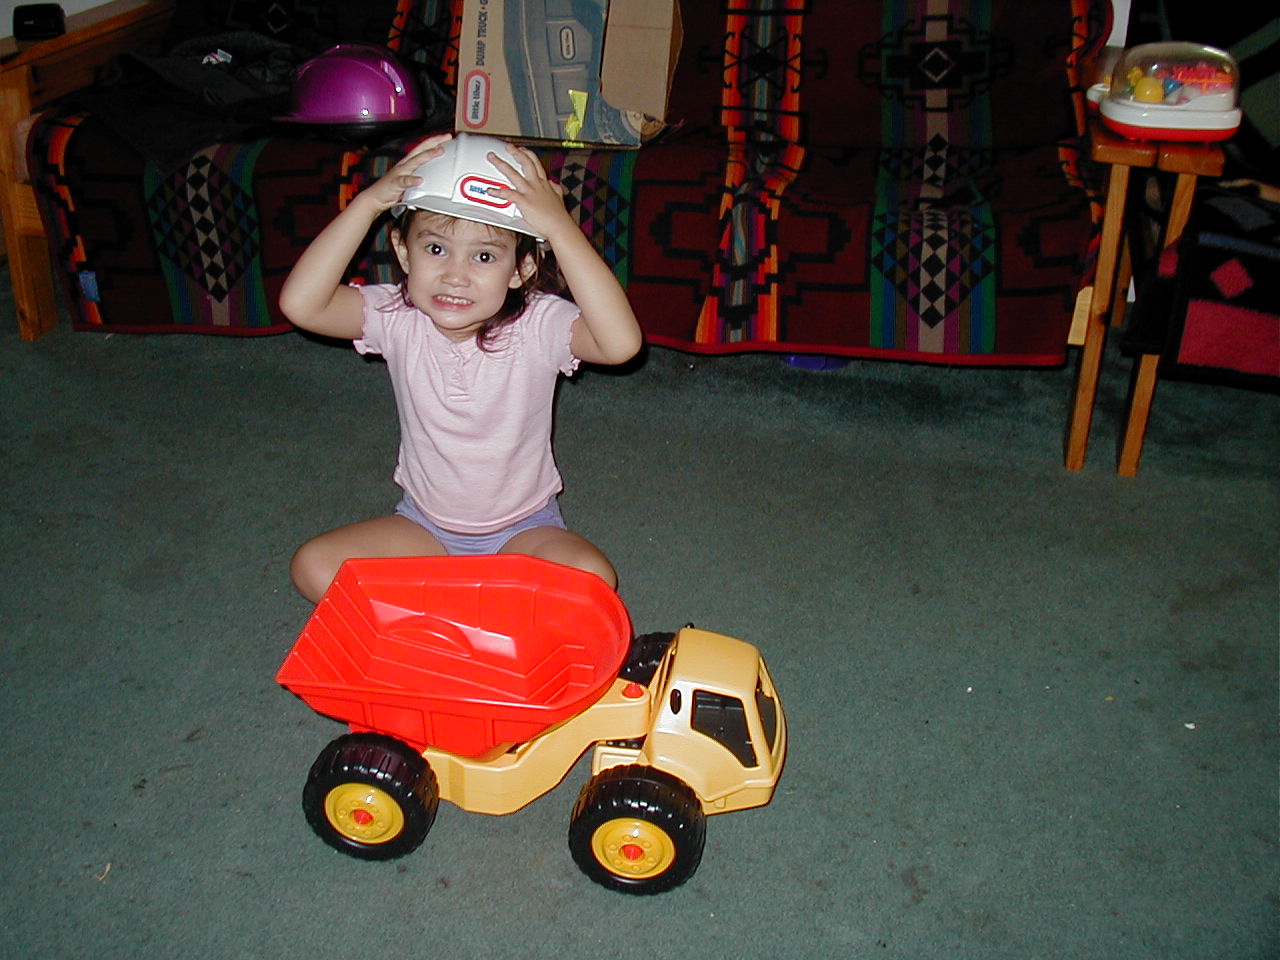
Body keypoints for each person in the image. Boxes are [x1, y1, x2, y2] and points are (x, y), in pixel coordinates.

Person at [280, 132, 642, 603]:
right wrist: (366, 204)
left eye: (484, 256)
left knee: (592, 578)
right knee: (313, 566)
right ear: (404, 252)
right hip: (423, 528)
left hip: (523, 530)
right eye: (435, 249)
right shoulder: (395, 316)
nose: (455, 275)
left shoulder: (540, 324)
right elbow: (301, 304)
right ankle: (473, 615)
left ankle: (439, 616)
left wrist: (560, 229)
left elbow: (620, 344)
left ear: (522, 270)